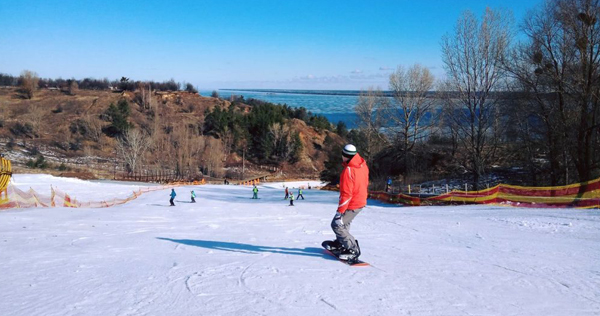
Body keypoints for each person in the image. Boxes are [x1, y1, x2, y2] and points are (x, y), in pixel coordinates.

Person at [326, 144, 369, 261]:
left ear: (345, 156)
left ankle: (352, 248)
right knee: (345, 223)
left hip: (353, 202)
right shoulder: (362, 164)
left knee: (337, 224)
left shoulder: (348, 170)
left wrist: (339, 212)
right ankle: (342, 243)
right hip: (360, 199)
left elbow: (346, 194)